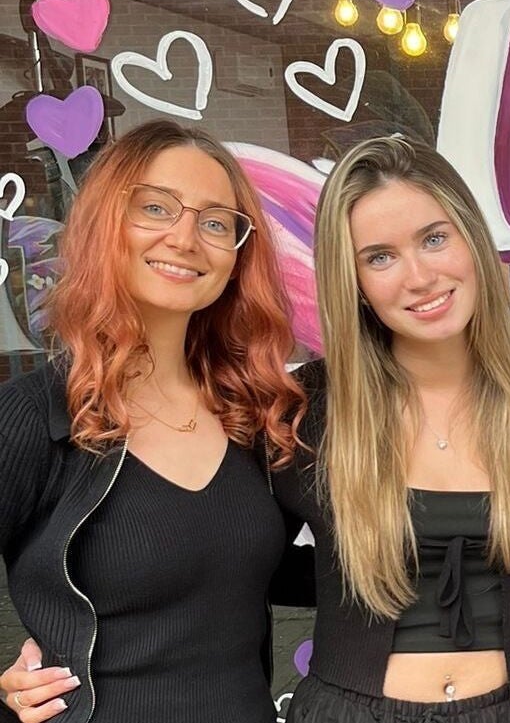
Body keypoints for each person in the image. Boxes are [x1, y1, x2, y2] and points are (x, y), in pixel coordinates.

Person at [275, 136, 510, 723]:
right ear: (352, 280)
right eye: (379, 257)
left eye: (434, 239)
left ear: (471, 238)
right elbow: (230, 570)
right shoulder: (306, 408)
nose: (420, 277)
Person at [0, 120, 307, 723]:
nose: (185, 238)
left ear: (236, 258)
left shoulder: (252, 414)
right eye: (156, 208)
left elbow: (268, 574)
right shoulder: (36, 417)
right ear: (104, 225)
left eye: (216, 222)